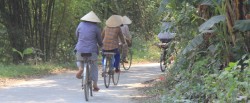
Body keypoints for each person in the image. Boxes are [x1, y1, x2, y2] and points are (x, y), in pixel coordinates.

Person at [75, 11, 102, 91]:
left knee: (79, 59)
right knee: (94, 65)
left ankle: (80, 68)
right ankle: (95, 85)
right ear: (95, 20)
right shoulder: (96, 28)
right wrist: (101, 45)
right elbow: (99, 41)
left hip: (80, 49)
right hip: (92, 51)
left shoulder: (80, 25)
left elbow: (77, 35)